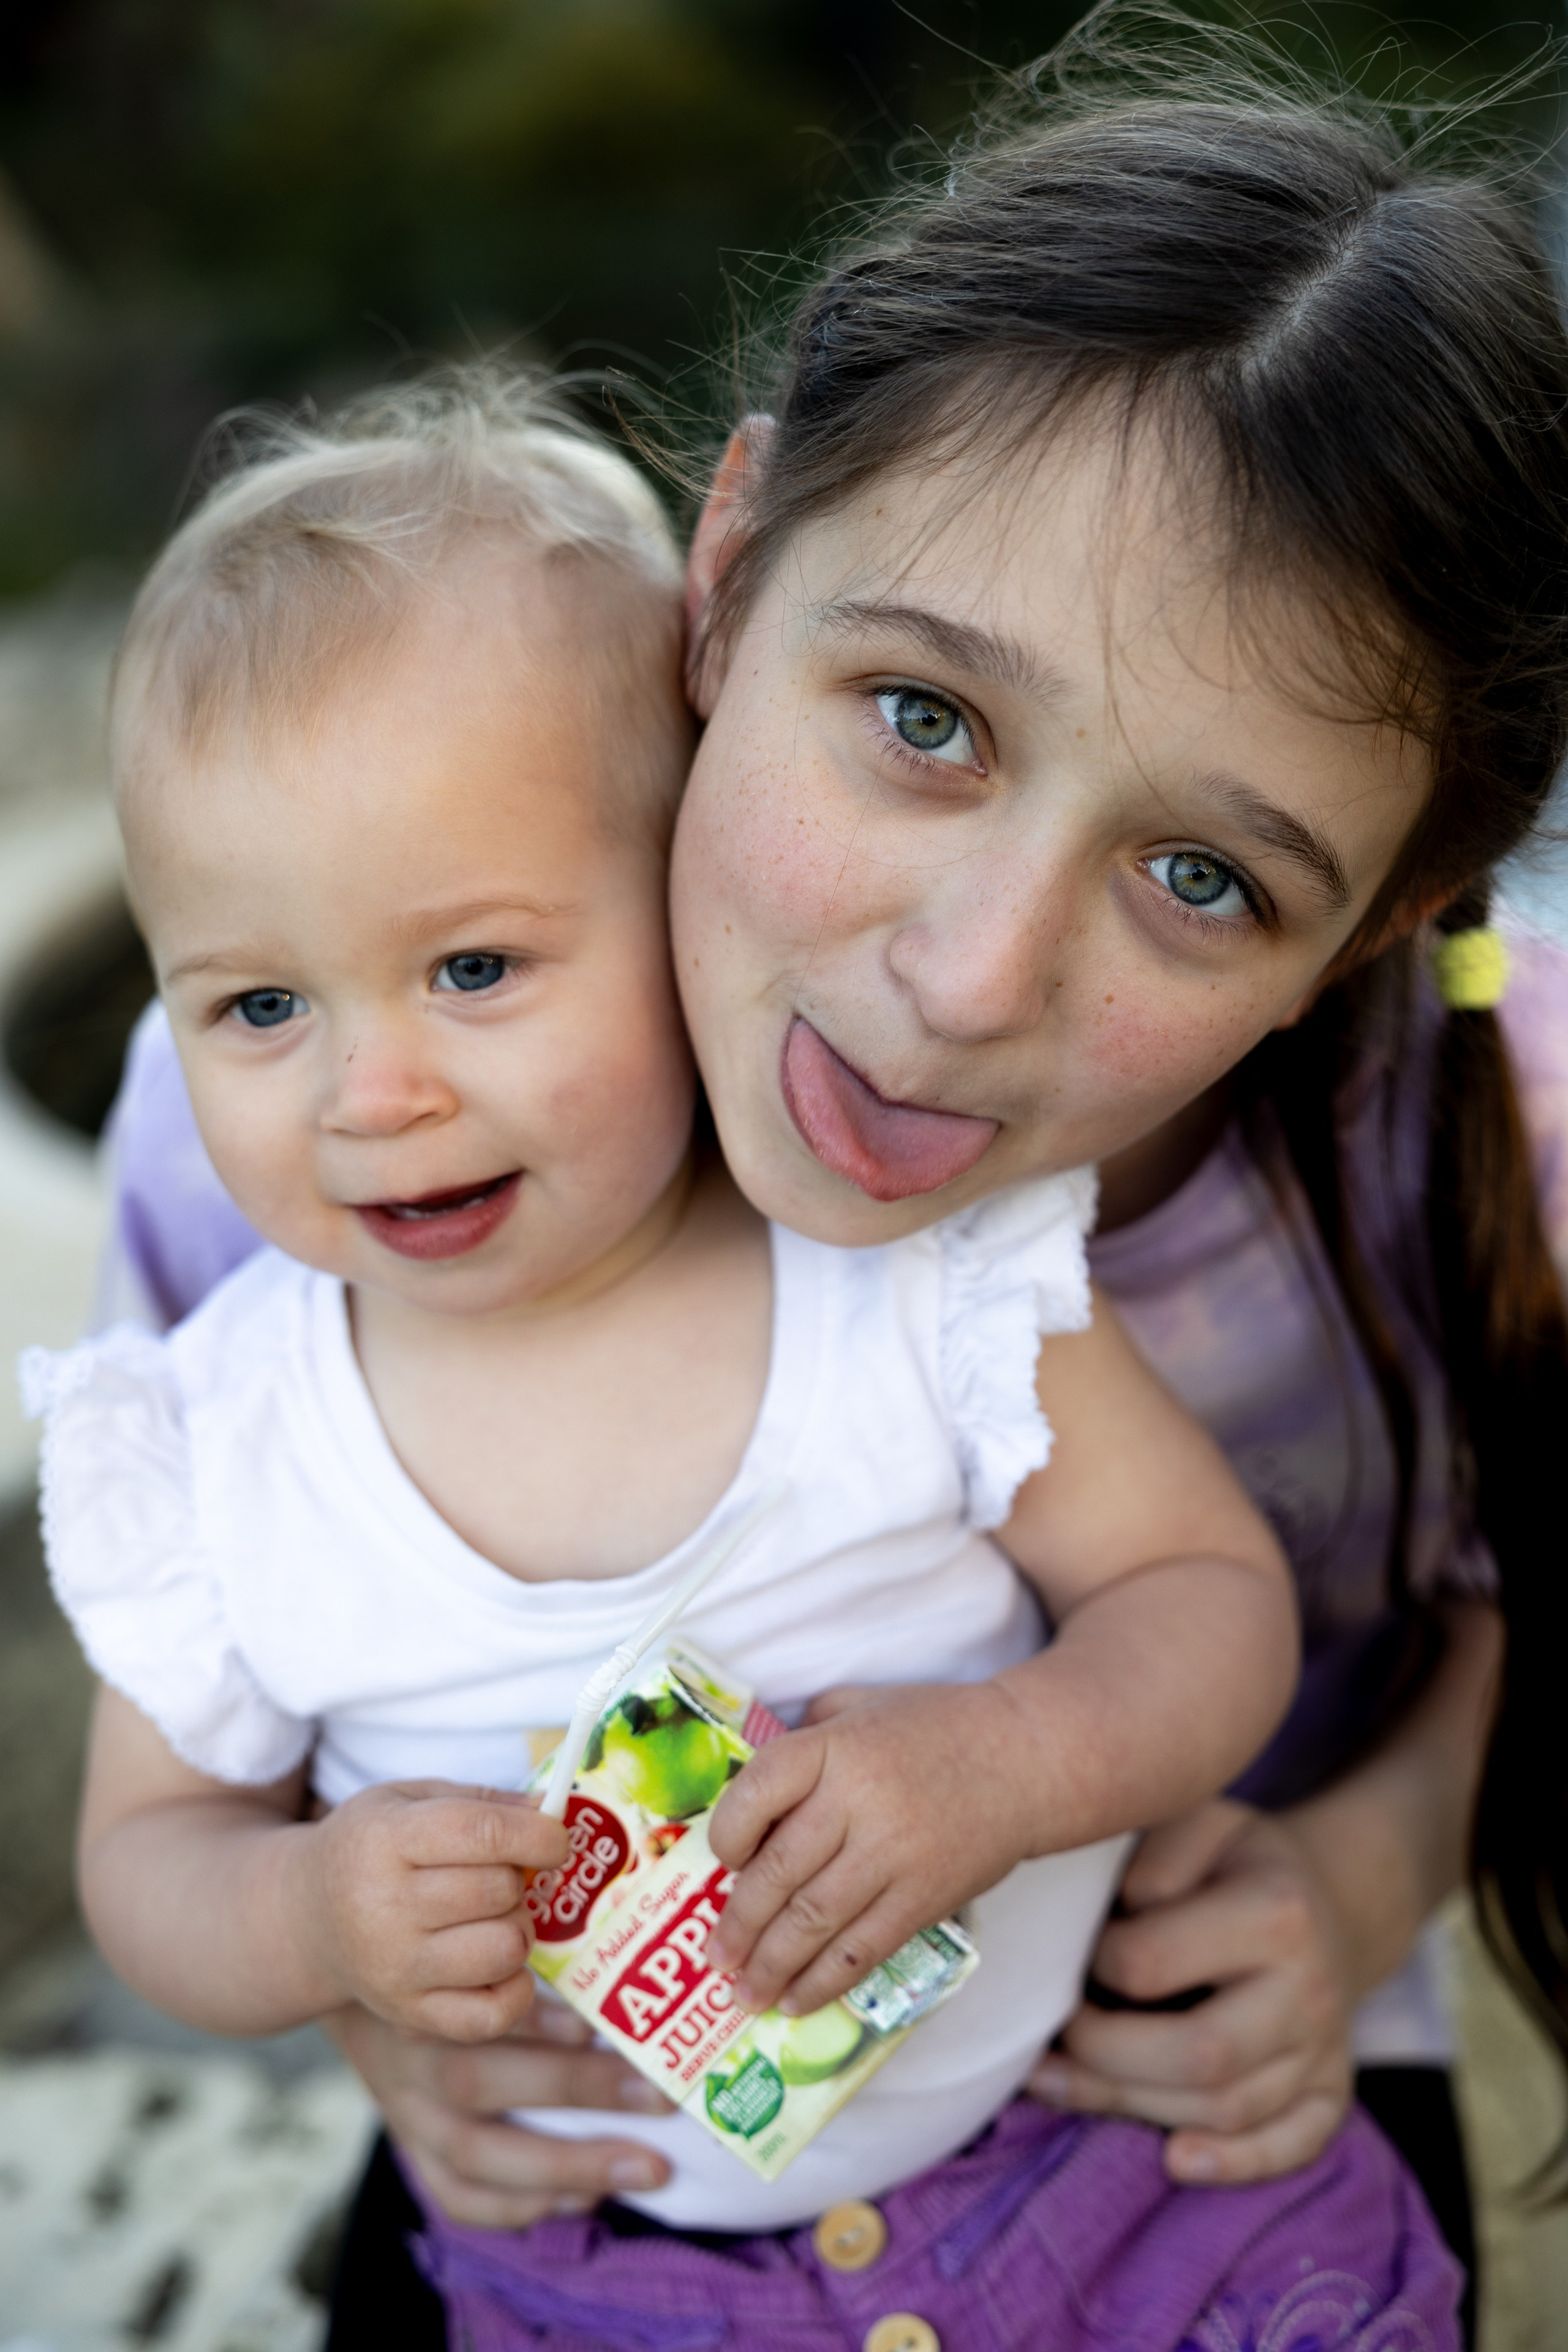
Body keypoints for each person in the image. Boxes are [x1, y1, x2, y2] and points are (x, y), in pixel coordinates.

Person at [76, 13, 1568, 2343]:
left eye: (1202, 875)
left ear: (1375, 920)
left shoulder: (1476, 1128)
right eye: (925, 719)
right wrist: (363, 1989)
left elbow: (1506, 1574)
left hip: (1193, 2114)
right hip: (586, 2185)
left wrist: (1366, 1873)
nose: (968, 983)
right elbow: (232, 1755)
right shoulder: (302, 1128)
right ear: (735, 559)